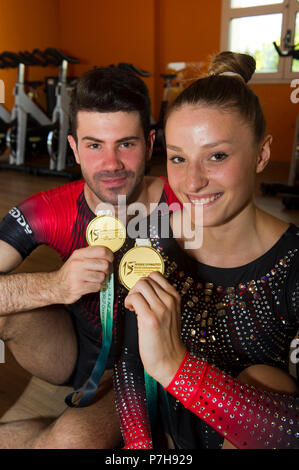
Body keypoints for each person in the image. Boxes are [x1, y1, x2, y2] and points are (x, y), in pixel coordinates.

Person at [113, 51, 299, 449]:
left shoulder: (294, 265)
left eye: (216, 156)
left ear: (262, 154)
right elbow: (129, 366)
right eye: (178, 157)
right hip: (169, 427)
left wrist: (176, 367)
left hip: (245, 428)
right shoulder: (147, 241)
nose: (192, 182)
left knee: (269, 378)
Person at [0, 66, 178, 449]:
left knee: (69, 441)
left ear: (149, 144)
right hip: (77, 355)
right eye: (95, 145)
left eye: (125, 144)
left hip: (158, 369)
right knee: (10, 304)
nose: (111, 163)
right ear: (75, 147)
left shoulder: (186, 205)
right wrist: (53, 285)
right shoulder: (49, 209)